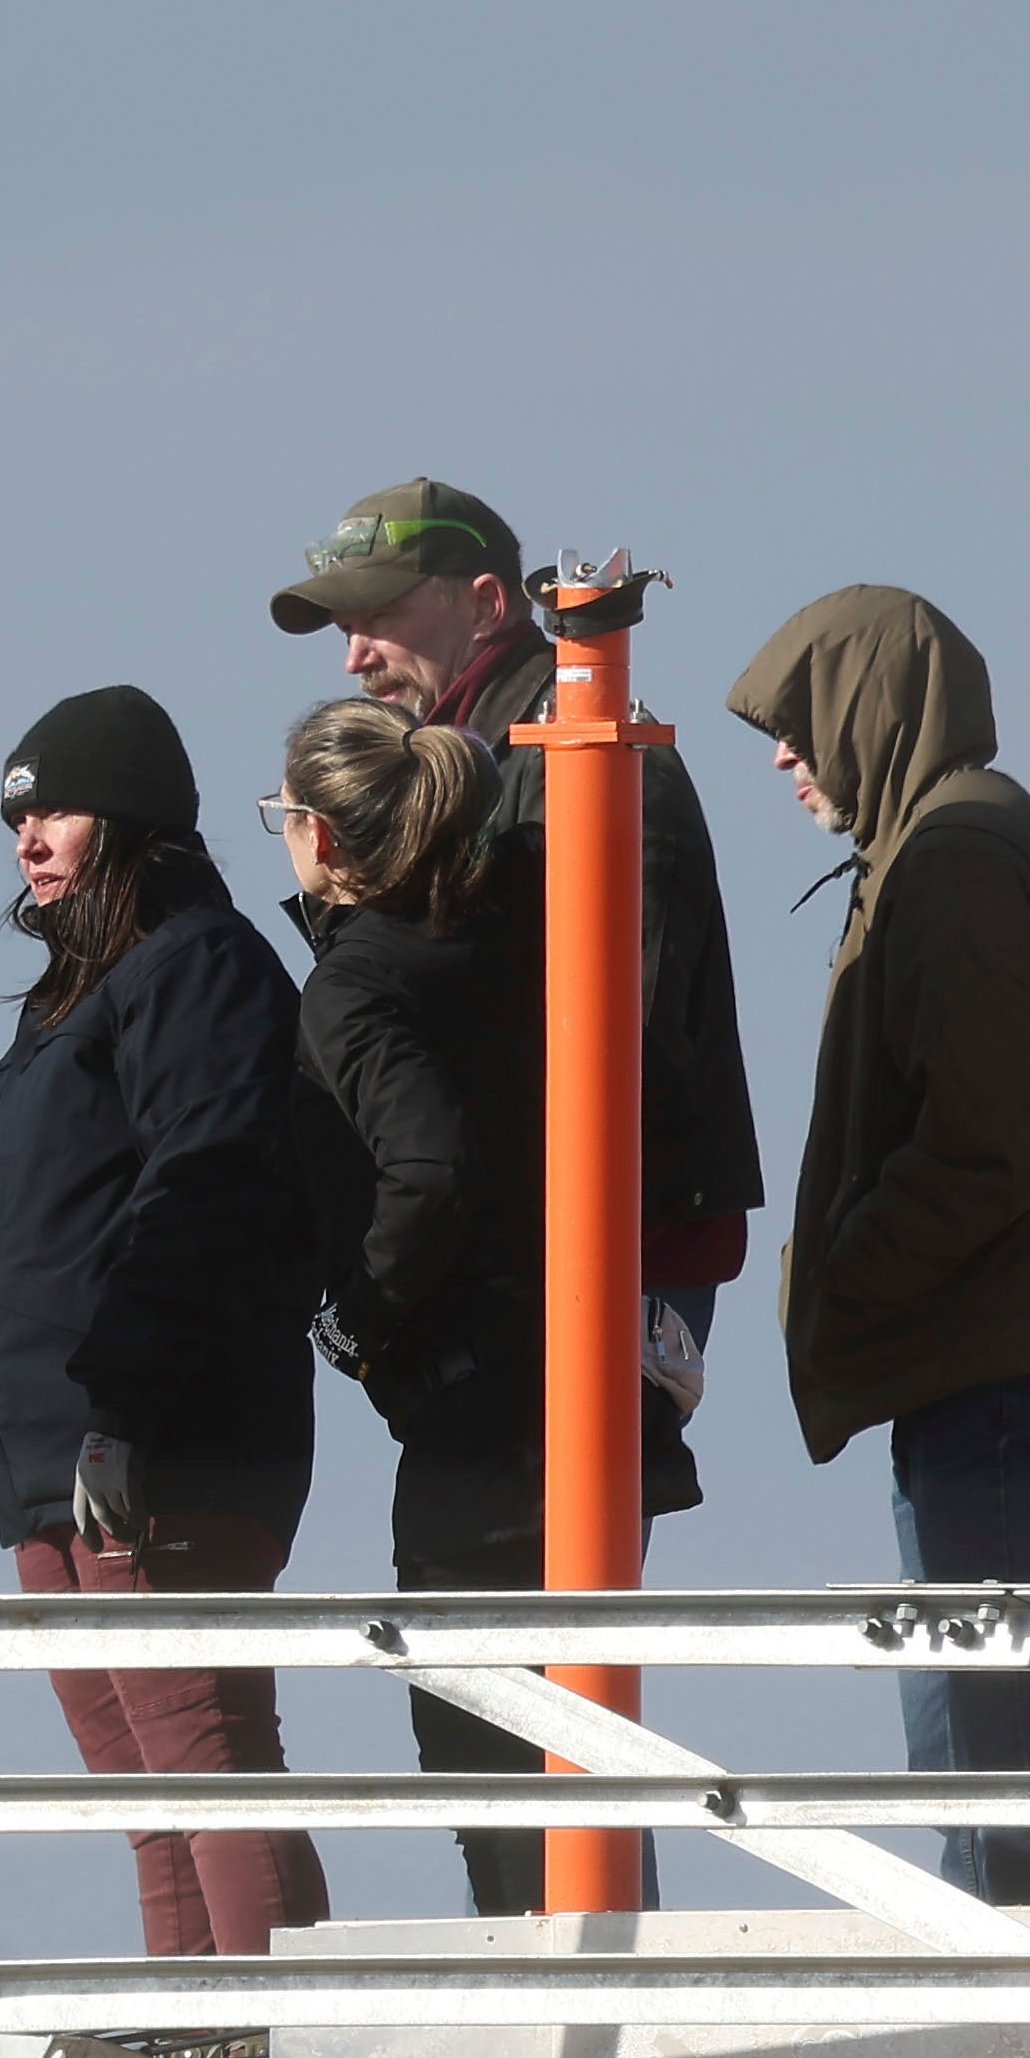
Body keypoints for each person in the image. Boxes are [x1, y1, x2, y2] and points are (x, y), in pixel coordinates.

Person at [724, 587, 1030, 1908]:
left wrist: (851, 1272)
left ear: (868, 710)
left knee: (988, 1728)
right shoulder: (958, 845)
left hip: (999, 1358)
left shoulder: (957, 862)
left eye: (798, 721)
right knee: (993, 1714)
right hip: (1005, 1348)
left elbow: (994, 1137)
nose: (781, 755)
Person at [273, 697, 695, 1918]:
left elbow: (430, 1170)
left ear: (328, 840)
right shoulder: (528, 934)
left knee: (483, 1747)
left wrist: (354, 1319)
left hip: (477, 1411)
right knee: (584, 1744)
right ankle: (603, 2025)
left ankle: (551, 2043)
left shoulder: (357, 984)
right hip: (594, 1384)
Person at [0, 687, 329, 1956]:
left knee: (207, 1768)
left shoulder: (197, 966)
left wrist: (123, 1410)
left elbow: (201, 1189)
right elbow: (28, 1250)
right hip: (57, 1455)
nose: (26, 840)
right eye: (14, 818)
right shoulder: (68, 1002)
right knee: (153, 1803)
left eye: (51, 810)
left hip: (161, 1443)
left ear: (132, 818)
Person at [268, 480, 762, 1404]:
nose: (354, 657)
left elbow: (630, 1037)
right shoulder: (473, 765)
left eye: (378, 615)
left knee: (554, 1528)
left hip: (615, 1237)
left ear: (486, 601)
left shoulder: (593, 760)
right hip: (527, 1239)